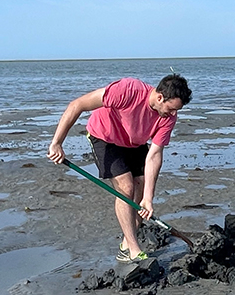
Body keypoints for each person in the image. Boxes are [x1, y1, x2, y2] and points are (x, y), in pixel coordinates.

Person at [47, 73, 192, 262]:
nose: (173, 114)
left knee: (140, 185)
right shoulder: (127, 91)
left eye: (176, 110)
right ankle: (132, 249)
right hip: (105, 136)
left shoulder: (168, 117)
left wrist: (148, 198)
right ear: (159, 97)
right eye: (171, 108)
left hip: (134, 142)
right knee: (126, 187)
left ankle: (126, 241)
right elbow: (77, 104)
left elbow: (154, 155)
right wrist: (57, 143)